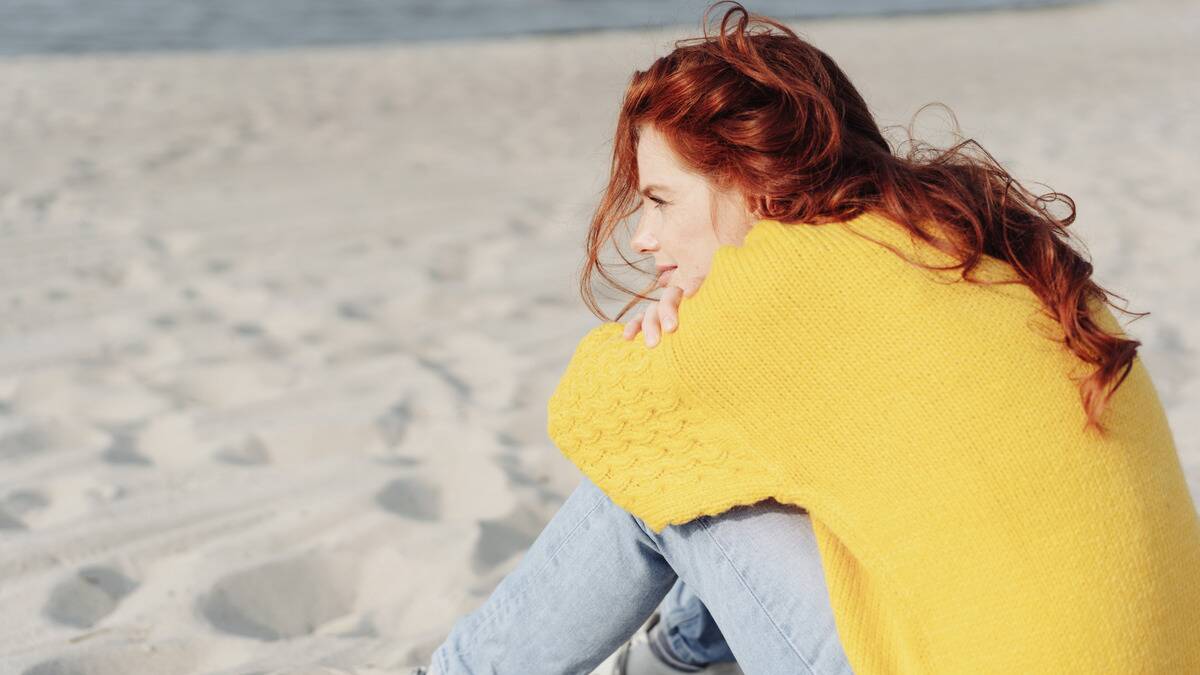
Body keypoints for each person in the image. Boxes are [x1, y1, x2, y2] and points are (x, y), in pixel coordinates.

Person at [412, 1, 1200, 673]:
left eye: (659, 198)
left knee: (652, 481)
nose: (644, 237)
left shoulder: (791, 278)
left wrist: (660, 344)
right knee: (732, 456)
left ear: (749, 177)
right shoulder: (956, 237)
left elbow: (588, 423)